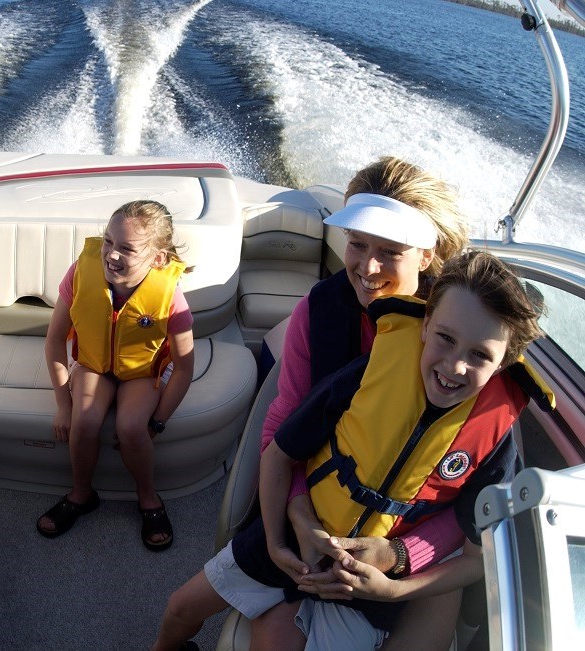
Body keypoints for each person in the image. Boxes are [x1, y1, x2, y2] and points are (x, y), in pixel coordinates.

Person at [154, 251, 553, 650]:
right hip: (293, 539)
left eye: (480, 354)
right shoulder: (370, 372)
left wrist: (393, 591)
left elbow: (477, 557)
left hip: (365, 587)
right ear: (426, 324)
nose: (455, 366)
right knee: (178, 609)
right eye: (446, 338)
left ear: (503, 364)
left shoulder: (495, 438)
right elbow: (279, 453)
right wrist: (276, 542)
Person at [153, 157, 471, 651]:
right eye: (357, 245)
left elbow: (460, 489)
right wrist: (296, 515)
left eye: (390, 252)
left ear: (426, 256)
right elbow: (283, 422)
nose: (367, 267)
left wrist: (397, 554)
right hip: (306, 499)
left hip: (382, 540)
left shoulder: (456, 350)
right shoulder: (320, 310)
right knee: (178, 610)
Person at [35, 200, 195, 551]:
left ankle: (148, 497)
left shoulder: (171, 298)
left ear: (157, 258)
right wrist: (64, 404)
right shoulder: (80, 272)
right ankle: (81, 494)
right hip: (93, 364)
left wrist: (160, 421)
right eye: (108, 241)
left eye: (127, 248)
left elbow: (184, 368)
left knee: (132, 427)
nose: (112, 254)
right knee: (85, 420)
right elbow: (54, 342)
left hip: (140, 373)